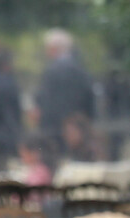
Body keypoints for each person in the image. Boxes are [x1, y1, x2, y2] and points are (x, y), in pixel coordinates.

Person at [34, 28, 95, 164]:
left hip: (54, 131)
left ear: (54, 49)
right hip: (78, 130)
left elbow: (46, 103)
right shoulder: (81, 70)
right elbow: (89, 98)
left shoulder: (51, 71)